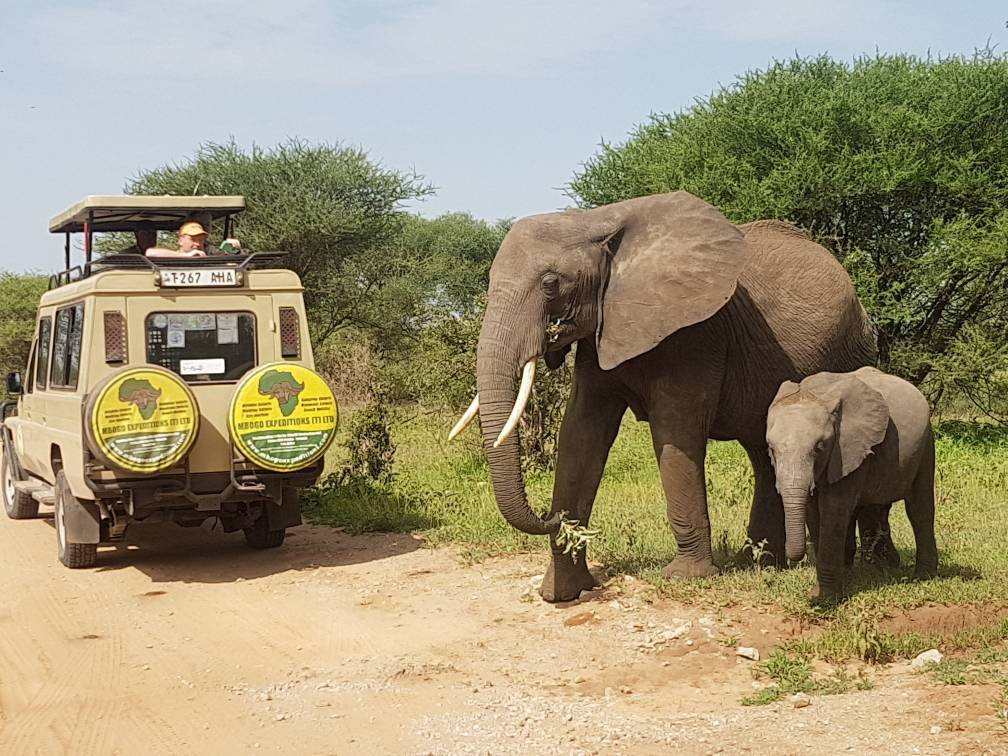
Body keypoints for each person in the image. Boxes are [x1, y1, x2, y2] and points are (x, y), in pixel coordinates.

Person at [145, 221, 241, 258]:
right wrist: (184, 256)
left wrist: (235, 249)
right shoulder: (174, 256)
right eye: (193, 239)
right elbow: (150, 252)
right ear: (180, 241)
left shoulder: (209, 255)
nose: (198, 244)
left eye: (201, 240)